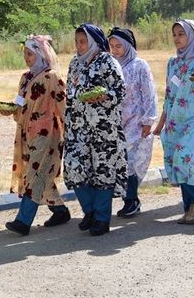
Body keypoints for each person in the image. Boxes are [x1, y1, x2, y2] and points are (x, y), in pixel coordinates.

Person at [1, 35, 71, 235]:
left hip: (46, 133)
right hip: (26, 132)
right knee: (42, 174)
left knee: (35, 173)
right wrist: (10, 110)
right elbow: (20, 104)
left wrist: (73, 131)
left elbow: (63, 106)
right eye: (25, 54)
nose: (26, 58)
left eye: (30, 54)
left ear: (41, 54)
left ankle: (23, 222)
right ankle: (60, 211)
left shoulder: (52, 77)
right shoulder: (26, 77)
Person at [153, 19, 194, 224]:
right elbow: (170, 96)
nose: (177, 39)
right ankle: (189, 207)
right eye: (175, 34)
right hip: (174, 122)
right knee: (175, 159)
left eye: (182, 34)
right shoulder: (173, 63)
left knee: (184, 158)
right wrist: (161, 124)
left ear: (193, 36)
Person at [64, 23, 127, 236]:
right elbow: (70, 93)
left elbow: (120, 91)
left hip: (104, 128)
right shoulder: (74, 63)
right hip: (77, 127)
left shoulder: (108, 61)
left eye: (83, 42)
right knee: (75, 168)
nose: (79, 46)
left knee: (103, 172)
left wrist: (105, 96)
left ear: (93, 42)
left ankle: (101, 218)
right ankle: (89, 210)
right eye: (77, 42)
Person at [107, 27, 157, 217]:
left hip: (136, 122)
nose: (115, 50)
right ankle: (128, 198)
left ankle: (131, 200)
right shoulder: (111, 65)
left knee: (131, 162)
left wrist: (148, 120)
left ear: (128, 45)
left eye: (119, 46)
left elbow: (149, 93)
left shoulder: (139, 65)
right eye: (112, 46)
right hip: (116, 123)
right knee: (120, 162)